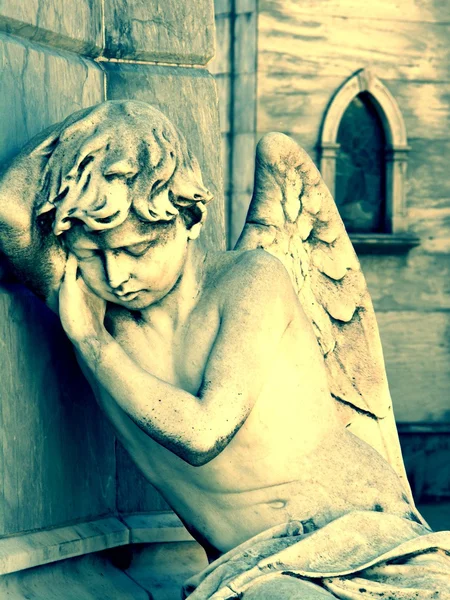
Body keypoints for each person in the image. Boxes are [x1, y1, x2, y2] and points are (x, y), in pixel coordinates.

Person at [1, 101, 449, 599]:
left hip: (363, 541)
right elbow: (8, 211)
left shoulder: (250, 280)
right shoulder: (89, 303)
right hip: (258, 567)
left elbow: (203, 432)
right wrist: (90, 145)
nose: (116, 276)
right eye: (92, 254)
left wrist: (92, 344)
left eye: (135, 251)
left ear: (188, 219)